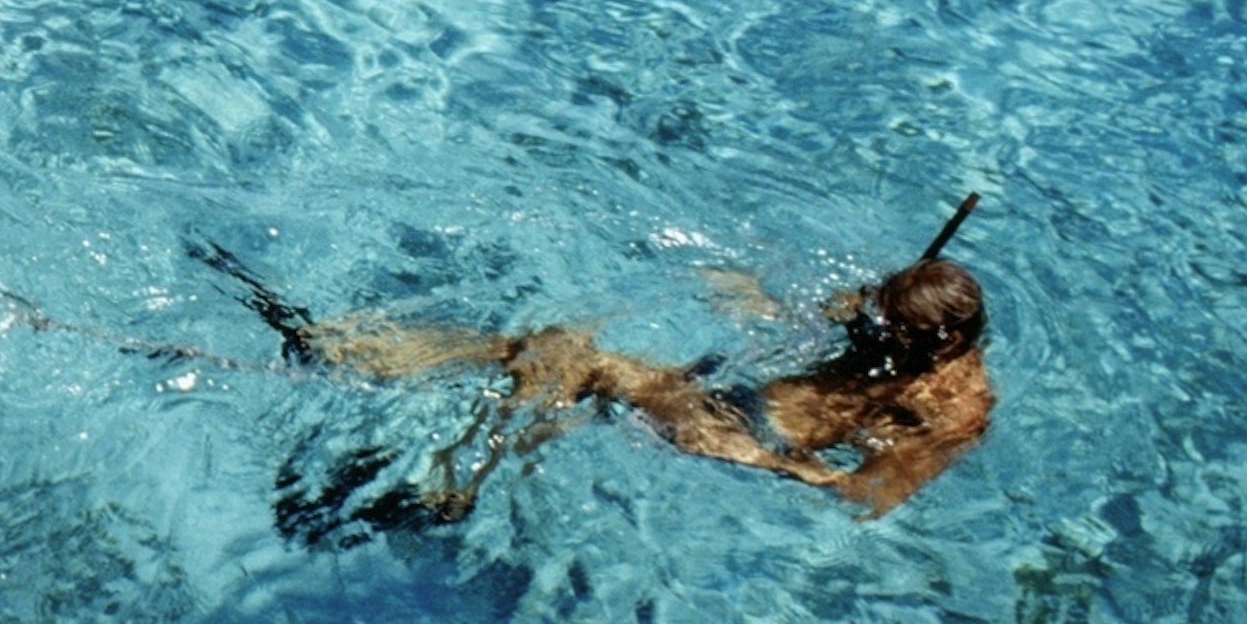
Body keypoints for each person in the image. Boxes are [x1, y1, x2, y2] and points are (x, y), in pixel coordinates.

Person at [212, 195, 994, 522]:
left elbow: (867, 495)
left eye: (890, 330)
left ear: (945, 340)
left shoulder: (957, 408)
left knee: (561, 358)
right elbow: (822, 318)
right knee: (553, 360)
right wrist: (752, 294)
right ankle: (352, 360)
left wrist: (776, 464)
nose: (873, 328)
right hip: (728, 384)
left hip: (748, 429)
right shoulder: (893, 315)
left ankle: (447, 480)